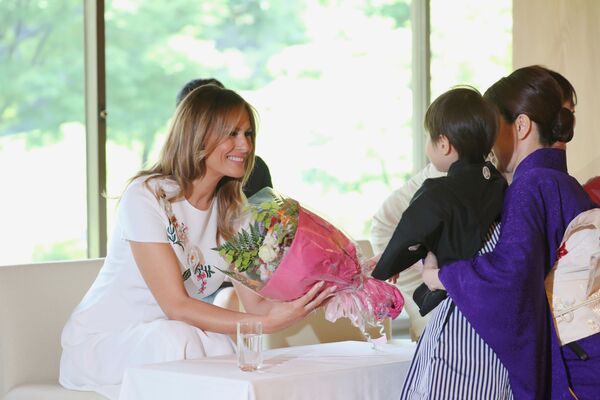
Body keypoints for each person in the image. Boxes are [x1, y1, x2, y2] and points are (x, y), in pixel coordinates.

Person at [59, 85, 335, 399]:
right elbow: (175, 305)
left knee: (216, 346)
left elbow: (257, 304)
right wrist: (266, 324)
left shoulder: (237, 216)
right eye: (232, 133)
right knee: (179, 338)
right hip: (104, 345)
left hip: (174, 336)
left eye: (248, 134)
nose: (244, 145)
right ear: (197, 135)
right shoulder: (147, 196)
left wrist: (326, 288)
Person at [420, 65, 599, 399]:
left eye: (492, 127)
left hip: (574, 362)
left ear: (520, 126)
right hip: (588, 349)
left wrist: (440, 276)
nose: (485, 140)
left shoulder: (528, 185)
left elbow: (510, 276)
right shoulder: (565, 183)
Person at [371, 67, 580, 341]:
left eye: (564, 118)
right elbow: (394, 223)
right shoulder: (455, 171)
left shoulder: (536, 181)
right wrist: (428, 281)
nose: (560, 130)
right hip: (458, 303)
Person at [176, 77, 273, 198]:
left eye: (248, 133)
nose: (246, 147)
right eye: (231, 132)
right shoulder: (155, 193)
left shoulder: (251, 176)